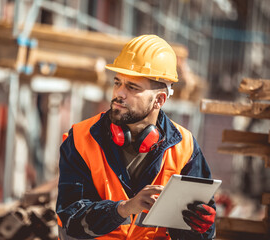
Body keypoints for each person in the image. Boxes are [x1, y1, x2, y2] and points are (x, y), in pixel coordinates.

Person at [56, 35, 216, 240]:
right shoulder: (80, 139)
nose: (119, 93)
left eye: (132, 87)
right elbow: (70, 222)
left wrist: (200, 227)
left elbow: (199, 233)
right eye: (117, 82)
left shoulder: (185, 148)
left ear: (159, 100)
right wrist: (123, 208)